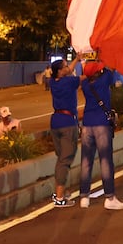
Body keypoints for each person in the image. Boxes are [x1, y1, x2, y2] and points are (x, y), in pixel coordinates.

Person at [78, 58, 123, 209]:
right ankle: (110, 198)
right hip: (102, 125)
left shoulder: (85, 84)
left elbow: (88, 70)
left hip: (87, 125)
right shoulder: (105, 79)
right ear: (98, 71)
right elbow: (112, 64)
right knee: (105, 160)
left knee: (86, 161)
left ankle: (84, 197)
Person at [48, 59, 80, 207]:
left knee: (60, 158)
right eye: (65, 66)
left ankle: (60, 191)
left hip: (56, 121)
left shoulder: (53, 82)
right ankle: (59, 198)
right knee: (65, 160)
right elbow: (86, 78)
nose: (69, 67)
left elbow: (69, 70)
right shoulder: (69, 82)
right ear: (61, 71)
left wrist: (77, 59)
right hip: (68, 122)